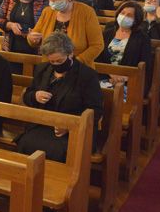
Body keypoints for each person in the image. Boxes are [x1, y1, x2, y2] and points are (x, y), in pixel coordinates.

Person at [17, 32, 104, 162]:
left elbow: (95, 111)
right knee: (25, 144)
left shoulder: (87, 75)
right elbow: (27, 96)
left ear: (70, 53)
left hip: (72, 132)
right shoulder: (42, 69)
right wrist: (35, 96)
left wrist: (69, 126)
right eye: (52, 61)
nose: (56, 64)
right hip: (42, 125)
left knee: (57, 152)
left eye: (60, 60)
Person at [27, 0, 104, 67]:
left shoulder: (86, 12)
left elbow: (97, 45)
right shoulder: (47, 12)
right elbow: (33, 40)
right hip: (50, 67)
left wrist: (74, 62)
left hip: (79, 68)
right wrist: (32, 38)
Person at [96, 1, 152, 97]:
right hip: (105, 76)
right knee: (92, 93)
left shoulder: (142, 38)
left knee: (118, 96)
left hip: (129, 80)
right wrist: (109, 74)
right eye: (122, 13)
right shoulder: (106, 34)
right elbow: (98, 58)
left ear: (135, 21)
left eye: (129, 15)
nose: (124, 16)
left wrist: (123, 78)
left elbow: (144, 65)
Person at [0, 0, 48, 69]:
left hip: (36, 49)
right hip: (12, 46)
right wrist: (10, 25)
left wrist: (38, 32)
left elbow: (50, 22)